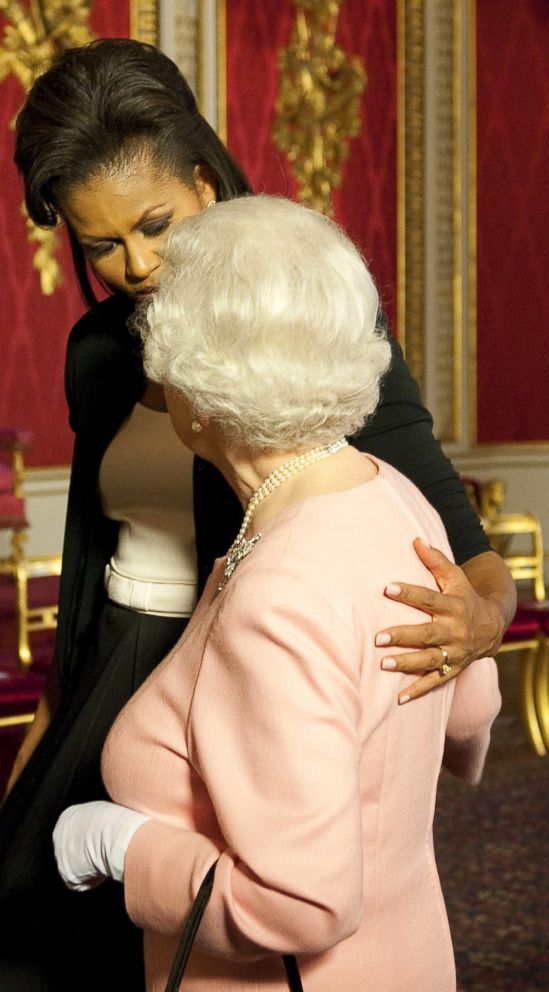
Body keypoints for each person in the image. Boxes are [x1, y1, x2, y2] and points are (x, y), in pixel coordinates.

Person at [0, 37, 513, 992]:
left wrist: (476, 620)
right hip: (111, 670)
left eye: (154, 224)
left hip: (240, 688)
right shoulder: (98, 353)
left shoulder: (305, 331)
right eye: (100, 245)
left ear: (203, 179)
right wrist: (51, 716)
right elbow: (91, 561)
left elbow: (456, 545)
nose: (137, 264)